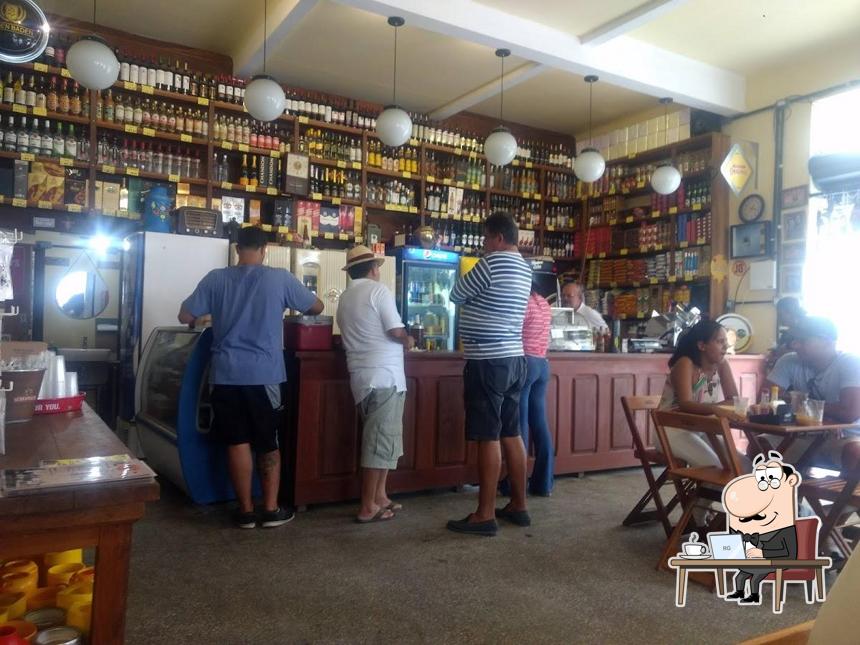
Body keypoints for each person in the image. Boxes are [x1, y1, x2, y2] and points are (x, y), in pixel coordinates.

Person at [178, 227, 323, 529]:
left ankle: (245, 512)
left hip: (225, 374)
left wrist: (212, 315)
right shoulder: (279, 278)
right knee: (267, 442)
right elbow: (316, 307)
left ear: (237, 249)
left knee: (237, 441)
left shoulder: (216, 279)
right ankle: (270, 510)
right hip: (264, 374)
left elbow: (185, 316)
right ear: (264, 249)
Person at [447, 211, 532, 536]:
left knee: (488, 435)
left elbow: (455, 294)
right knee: (512, 432)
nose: (483, 244)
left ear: (498, 237)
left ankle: (484, 514)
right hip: (514, 358)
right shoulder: (524, 267)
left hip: (488, 360)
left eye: (485, 237)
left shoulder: (491, 263)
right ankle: (519, 505)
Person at [336, 245, 414, 524]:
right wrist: (408, 338)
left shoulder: (345, 297)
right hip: (384, 377)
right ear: (373, 269)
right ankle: (368, 505)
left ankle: (380, 496)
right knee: (378, 443)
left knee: (384, 439)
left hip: (361, 378)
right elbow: (394, 330)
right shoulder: (378, 291)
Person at [765, 316, 860, 468]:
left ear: (827, 341)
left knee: (856, 454)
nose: (795, 345)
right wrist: (826, 411)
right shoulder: (788, 361)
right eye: (794, 340)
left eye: (802, 341)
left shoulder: (851, 363)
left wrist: (796, 403)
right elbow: (768, 398)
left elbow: (849, 413)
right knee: (760, 446)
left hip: (845, 437)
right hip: (800, 435)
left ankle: (845, 487)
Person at [657, 320, 745, 467]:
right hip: (671, 429)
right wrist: (716, 409)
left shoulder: (722, 364)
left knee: (743, 465)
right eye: (720, 341)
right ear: (702, 345)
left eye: (726, 341)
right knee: (716, 467)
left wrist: (719, 408)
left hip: (702, 429)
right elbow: (686, 404)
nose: (726, 346)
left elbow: (734, 401)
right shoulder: (686, 363)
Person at [723, 452, 801, 605]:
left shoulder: (786, 529)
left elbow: (789, 553)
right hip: (760, 558)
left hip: (777, 559)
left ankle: (754, 595)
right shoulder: (763, 527)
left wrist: (762, 552)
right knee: (741, 574)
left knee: (756, 575)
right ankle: (739, 592)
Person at [518, 279, 554, 496]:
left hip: (525, 363)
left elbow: (512, 332)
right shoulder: (543, 303)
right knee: (540, 424)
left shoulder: (522, 302)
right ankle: (544, 483)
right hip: (542, 364)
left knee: (520, 424)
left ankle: (516, 483)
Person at [764, 297, 806, 371]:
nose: (779, 318)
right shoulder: (786, 334)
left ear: (789, 312)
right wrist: (774, 352)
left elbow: (805, 352)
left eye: (780, 315)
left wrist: (782, 353)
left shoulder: (807, 330)